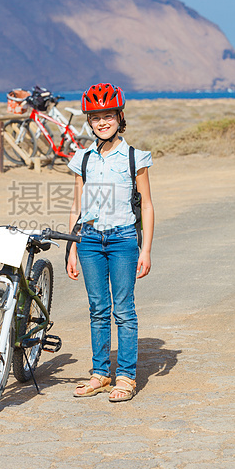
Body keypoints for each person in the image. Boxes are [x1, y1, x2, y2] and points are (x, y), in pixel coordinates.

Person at [67, 83, 154, 402]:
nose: (102, 122)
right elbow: (77, 207)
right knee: (98, 309)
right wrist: (72, 247)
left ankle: (127, 377)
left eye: (108, 116)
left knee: (124, 310)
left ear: (119, 117)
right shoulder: (83, 159)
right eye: (95, 117)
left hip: (123, 240)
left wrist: (145, 249)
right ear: (88, 122)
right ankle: (101, 373)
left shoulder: (135, 157)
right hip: (89, 240)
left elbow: (146, 205)